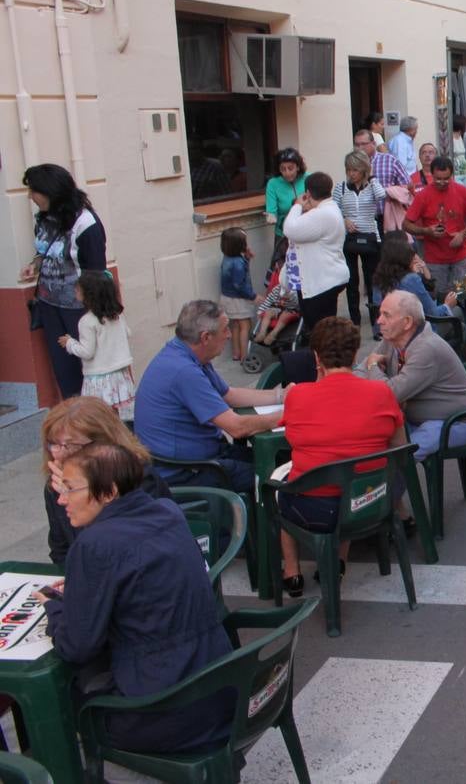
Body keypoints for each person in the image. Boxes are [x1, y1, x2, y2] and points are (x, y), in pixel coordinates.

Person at [40, 443, 233, 754]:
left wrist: (55, 607)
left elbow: (76, 647)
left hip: (161, 712)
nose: (61, 499)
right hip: (217, 691)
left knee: (59, 698)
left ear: (108, 492)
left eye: (70, 489)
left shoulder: (95, 544)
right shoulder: (167, 512)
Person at [274, 317, 406, 596]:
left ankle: (292, 570)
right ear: (355, 353)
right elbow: (399, 447)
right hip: (371, 503)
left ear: (316, 356)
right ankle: (337, 561)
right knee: (350, 473)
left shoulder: (299, 396)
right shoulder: (381, 392)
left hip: (314, 511)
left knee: (282, 482)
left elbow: (293, 441)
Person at [135, 301, 284, 492]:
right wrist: (286, 417)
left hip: (201, 457)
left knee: (280, 459)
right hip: (186, 471)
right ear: (205, 337)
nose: (230, 335)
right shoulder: (184, 371)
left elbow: (229, 395)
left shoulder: (184, 353)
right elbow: (236, 428)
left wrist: (281, 396)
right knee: (278, 476)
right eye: (225, 330)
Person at [40, 397, 168, 566]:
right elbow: (60, 551)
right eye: (54, 444)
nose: (61, 454)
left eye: (71, 445)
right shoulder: (54, 487)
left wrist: (77, 495)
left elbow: (121, 553)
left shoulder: (137, 479)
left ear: (105, 443)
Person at [19, 164, 109, 398]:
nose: (30, 197)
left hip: (78, 310)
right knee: (65, 373)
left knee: (90, 370)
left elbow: (96, 272)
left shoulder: (86, 224)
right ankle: (75, 424)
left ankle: (96, 423)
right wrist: (35, 265)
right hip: (50, 306)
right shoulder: (44, 218)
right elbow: (46, 250)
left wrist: (94, 313)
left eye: (33, 191)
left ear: (50, 191)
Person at [361, 291, 466, 461]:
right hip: (420, 420)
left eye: (386, 315)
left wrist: (373, 366)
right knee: (369, 441)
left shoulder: (426, 348)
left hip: (457, 423)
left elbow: (389, 394)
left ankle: (390, 484)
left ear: (407, 322)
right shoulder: (392, 340)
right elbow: (360, 370)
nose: (378, 320)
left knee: (397, 458)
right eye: (380, 314)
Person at [59, 271, 136, 421]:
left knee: (101, 417)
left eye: (78, 289)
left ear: (89, 294)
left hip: (99, 379)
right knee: (119, 417)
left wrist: (70, 343)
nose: (75, 291)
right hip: (120, 375)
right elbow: (128, 333)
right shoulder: (118, 316)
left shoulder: (87, 322)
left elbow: (87, 352)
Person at [403, 156, 466, 296]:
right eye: (438, 179)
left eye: (446, 179)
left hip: (461, 254)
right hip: (435, 258)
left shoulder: (462, 191)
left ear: (452, 175)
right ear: (432, 174)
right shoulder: (423, 195)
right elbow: (406, 224)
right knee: (438, 296)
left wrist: (463, 234)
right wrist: (426, 231)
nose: (442, 182)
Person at [283, 172, 350, 329]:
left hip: (321, 283)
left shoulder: (322, 214)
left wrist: (297, 205)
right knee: (321, 331)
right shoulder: (327, 209)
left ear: (308, 193)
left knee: (320, 332)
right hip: (323, 280)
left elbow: (290, 229)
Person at [335, 150, 388, 330]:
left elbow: (382, 196)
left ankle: (376, 320)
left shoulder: (373, 185)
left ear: (363, 169)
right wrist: (344, 220)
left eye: (355, 169)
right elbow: (333, 211)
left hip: (370, 236)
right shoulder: (340, 187)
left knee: (372, 279)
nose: (351, 173)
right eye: (349, 169)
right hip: (349, 238)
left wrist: (371, 178)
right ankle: (355, 320)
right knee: (351, 281)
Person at [217, 227, 259, 363]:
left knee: (234, 325)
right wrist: (253, 296)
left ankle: (236, 353)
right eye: (245, 242)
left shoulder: (227, 258)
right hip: (239, 300)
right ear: (239, 245)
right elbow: (239, 284)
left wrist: (246, 258)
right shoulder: (238, 262)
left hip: (226, 298)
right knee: (245, 326)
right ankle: (245, 356)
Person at [264, 147, 307, 241]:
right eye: (283, 169)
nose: (287, 173)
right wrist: (271, 216)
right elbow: (271, 210)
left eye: (290, 168)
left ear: (298, 167)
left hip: (307, 231)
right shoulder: (273, 184)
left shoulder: (308, 178)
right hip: (283, 234)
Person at [450, 115, 466, 189]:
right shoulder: (450, 138)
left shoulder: (462, 136)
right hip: (456, 173)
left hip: (464, 171)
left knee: (464, 193)